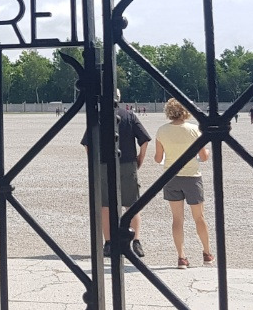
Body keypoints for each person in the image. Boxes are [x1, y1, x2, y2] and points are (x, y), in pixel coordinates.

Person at [81, 91, 150, 261]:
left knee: (105, 205)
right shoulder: (129, 115)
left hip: (104, 164)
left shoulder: (98, 116)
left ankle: (109, 243)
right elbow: (144, 139)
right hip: (127, 163)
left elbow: (87, 144)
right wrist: (139, 159)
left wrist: (94, 162)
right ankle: (136, 241)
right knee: (132, 204)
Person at [154, 98, 213, 268]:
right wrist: (207, 151)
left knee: (177, 219)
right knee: (199, 217)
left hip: (171, 176)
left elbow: (158, 158)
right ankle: (207, 253)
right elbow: (204, 157)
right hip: (192, 176)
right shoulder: (194, 130)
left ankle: (181, 256)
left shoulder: (162, 130)